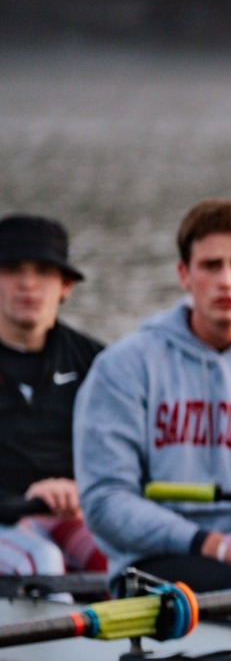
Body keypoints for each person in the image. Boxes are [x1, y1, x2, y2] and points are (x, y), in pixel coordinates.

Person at [75, 199, 231, 591]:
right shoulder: (123, 367)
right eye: (211, 266)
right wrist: (212, 544)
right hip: (157, 556)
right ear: (184, 275)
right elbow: (105, 501)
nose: (227, 281)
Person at [0, 214, 105, 577]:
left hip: (68, 514)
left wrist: (83, 489)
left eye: (43, 271)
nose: (28, 284)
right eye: (13, 269)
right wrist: (26, 500)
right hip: (6, 520)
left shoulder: (98, 362)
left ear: (65, 285)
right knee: (41, 562)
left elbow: (122, 459)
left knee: (122, 556)